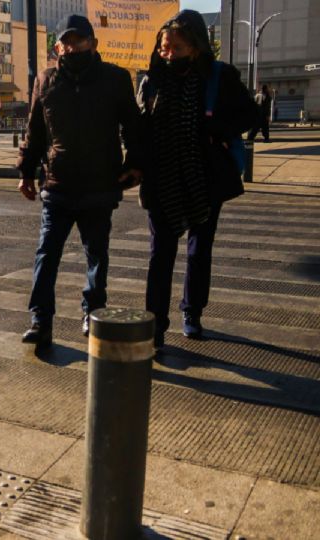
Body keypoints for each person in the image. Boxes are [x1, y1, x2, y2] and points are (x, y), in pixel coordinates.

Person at [16, 14, 144, 347]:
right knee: (46, 254)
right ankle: (40, 320)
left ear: (93, 43)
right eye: (66, 42)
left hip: (99, 186)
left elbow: (133, 126)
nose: (72, 47)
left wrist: (135, 164)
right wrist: (26, 172)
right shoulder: (46, 80)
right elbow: (35, 131)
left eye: (79, 41)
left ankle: (93, 311)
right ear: (58, 46)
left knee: (97, 256)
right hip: (58, 185)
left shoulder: (115, 79)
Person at [138, 10, 257, 349]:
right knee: (160, 253)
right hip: (162, 178)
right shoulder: (153, 79)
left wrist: (215, 128)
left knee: (198, 249)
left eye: (177, 48)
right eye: (165, 47)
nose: (169, 54)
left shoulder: (219, 77)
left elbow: (249, 114)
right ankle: (156, 325)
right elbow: (141, 128)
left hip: (204, 177)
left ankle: (192, 311)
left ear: (196, 48)